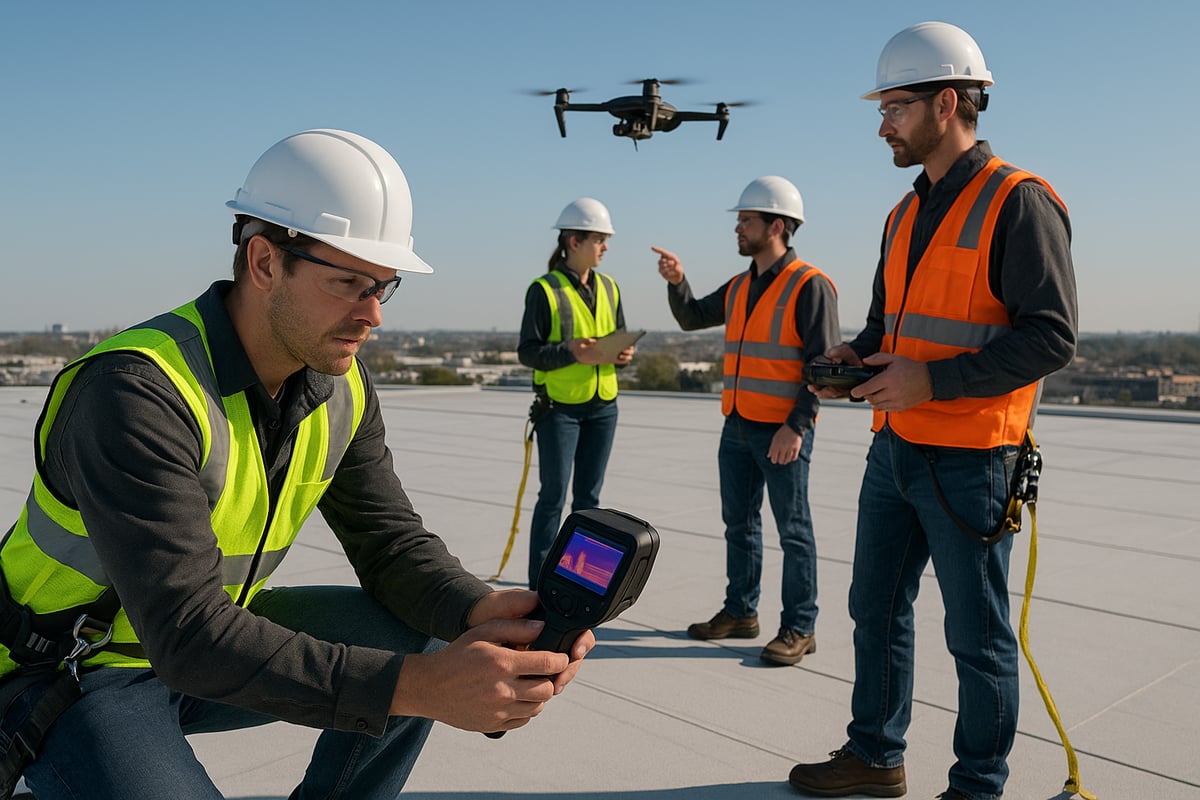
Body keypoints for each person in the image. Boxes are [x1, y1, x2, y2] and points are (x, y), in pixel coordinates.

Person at [0, 129, 595, 800]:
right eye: (346, 283)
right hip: (69, 668)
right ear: (262, 263)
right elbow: (190, 636)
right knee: (414, 675)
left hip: (205, 648)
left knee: (424, 638)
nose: (372, 315)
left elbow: (391, 545)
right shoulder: (135, 392)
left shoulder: (339, 384)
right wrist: (422, 689)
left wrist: (479, 610)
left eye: (383, 288)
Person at [787, 22, 1077, 800]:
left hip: (975, 459)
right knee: (872, 610)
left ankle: (977, 786)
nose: (882, 123)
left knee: (976, 638)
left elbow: (1052, 339)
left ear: (947, 102)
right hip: (896, 450)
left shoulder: (1021, 203)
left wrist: (934, 386)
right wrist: (855, 358)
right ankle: (875, 758)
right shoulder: (902, 214)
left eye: (895, 107)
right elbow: (892, 329)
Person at [652, 176, 840, 666]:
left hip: (781, 431)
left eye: (746, 220)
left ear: (776, 226)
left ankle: (800, 627)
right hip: (736, 425)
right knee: (739, 525)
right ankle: (740, 613)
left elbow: (822, 367)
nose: (738, 228)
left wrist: (796, 426)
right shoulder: (740, 286)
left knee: (794, 531)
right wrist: (678, 283)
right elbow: (692, 317)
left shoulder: (810, 285)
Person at [518, 198, 635, 589]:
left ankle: (581, 581)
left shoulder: (610, 287)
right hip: (560, 410)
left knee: (590, 500)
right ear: (573, 241)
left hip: (604, 406)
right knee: (552, 496)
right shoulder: (544, 290)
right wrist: (572, 351)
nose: (605, 247)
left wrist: (622, 354)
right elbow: (528, 352)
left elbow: (615, 343)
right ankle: (539, 588)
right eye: (599, 239)